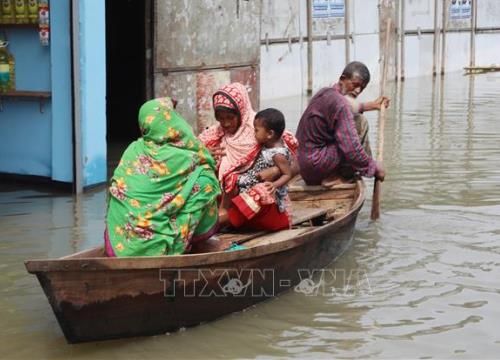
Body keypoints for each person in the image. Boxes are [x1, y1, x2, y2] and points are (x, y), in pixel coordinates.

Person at [104, 97, 221, 257]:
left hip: (120, 243)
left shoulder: (133, 149)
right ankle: (189, 241)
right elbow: (206, 160)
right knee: (206, 180)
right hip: (156, 248)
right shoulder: (183, 156)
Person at [198, 82, 298, 207]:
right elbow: (190, 154)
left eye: (230, 117)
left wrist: (276, 170)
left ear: (241, 111)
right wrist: (203, 155)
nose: (226, 123)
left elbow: (296, 163)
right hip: (223, 201)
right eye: (221, 118)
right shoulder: (214, 136)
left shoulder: (261, 129)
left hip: (256, 201)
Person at [296, 61, 387, 186]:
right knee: (360, 123)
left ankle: (353, 169)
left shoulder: (325, 92)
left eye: (362, 88)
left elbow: (347, 107)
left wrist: (371, 105)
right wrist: (374, 168)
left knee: (354, 121)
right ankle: (343, 175)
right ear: (342, 79)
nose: (357, 90)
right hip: (316, 166)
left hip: (304, 167)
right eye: (355, 85)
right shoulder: (341, 104)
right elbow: (352, 149)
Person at [221, 108, 294, 231]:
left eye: (256, 130)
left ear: (269, 134)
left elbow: (288, 174)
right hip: (252, 182)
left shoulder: (278, 154)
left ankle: (223, 220)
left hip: (269, 198)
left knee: (260, 192)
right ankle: (225, 214)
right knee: (231, 179)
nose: (253, 133)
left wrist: (274, 185)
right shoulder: (266, 145)